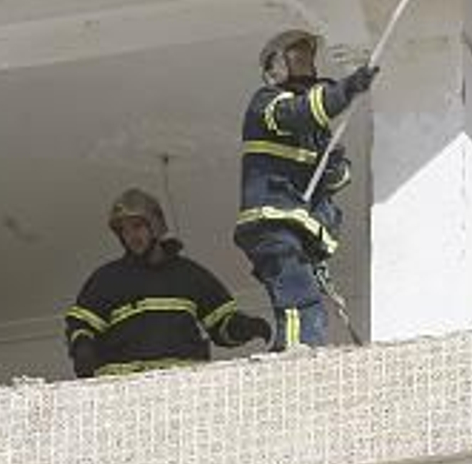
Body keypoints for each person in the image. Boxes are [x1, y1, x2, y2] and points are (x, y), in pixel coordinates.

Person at [234, 29, 378, 349]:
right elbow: (302, 112)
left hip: (296, 227)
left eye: (308, 59)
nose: (307, 66)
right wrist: (348, 88)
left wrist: (333, 169)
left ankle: (290, 351)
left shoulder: (315, 131)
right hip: (272, 222)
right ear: (277, 66)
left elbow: (338, 177)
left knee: (305, 300)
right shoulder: (267, 103)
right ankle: (295, 359)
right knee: (300, 298)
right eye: (297, 58)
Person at [66, 188, 272, 377]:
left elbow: (221, 323)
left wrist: (244, 327)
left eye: (137, 226)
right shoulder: (107, 279)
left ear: (155, 226)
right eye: (124, 230)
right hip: (124, 390)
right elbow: (81, 325)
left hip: (182, 387)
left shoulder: (189, 275)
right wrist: (83, 349)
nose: (131, 236)